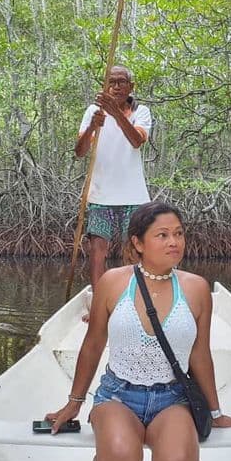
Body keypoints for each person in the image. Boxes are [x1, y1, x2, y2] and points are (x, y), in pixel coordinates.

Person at [46, 201, 231, 461]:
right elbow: (93, 345)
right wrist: (74, 402)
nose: (174, 242)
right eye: (162, 235)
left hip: (172, 399)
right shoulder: (113, 282)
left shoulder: (196, 288)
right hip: (118, 396)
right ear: (138, 243)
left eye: (179, 234)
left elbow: (199, 355)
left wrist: (215, 412)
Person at [75, 65, 152, 300]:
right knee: (98, 251)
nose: (116, 86)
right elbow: (80, 151)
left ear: (131, 86)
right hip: (101, 194)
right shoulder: (94, 111)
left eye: (122, 82)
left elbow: (137, 141)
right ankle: (100, 302)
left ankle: (134, 300)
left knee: (134, 251)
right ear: (105, 86)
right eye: (112, 82)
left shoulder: (141, 112)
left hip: (134, 196)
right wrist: (92, 126)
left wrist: (116, 114)